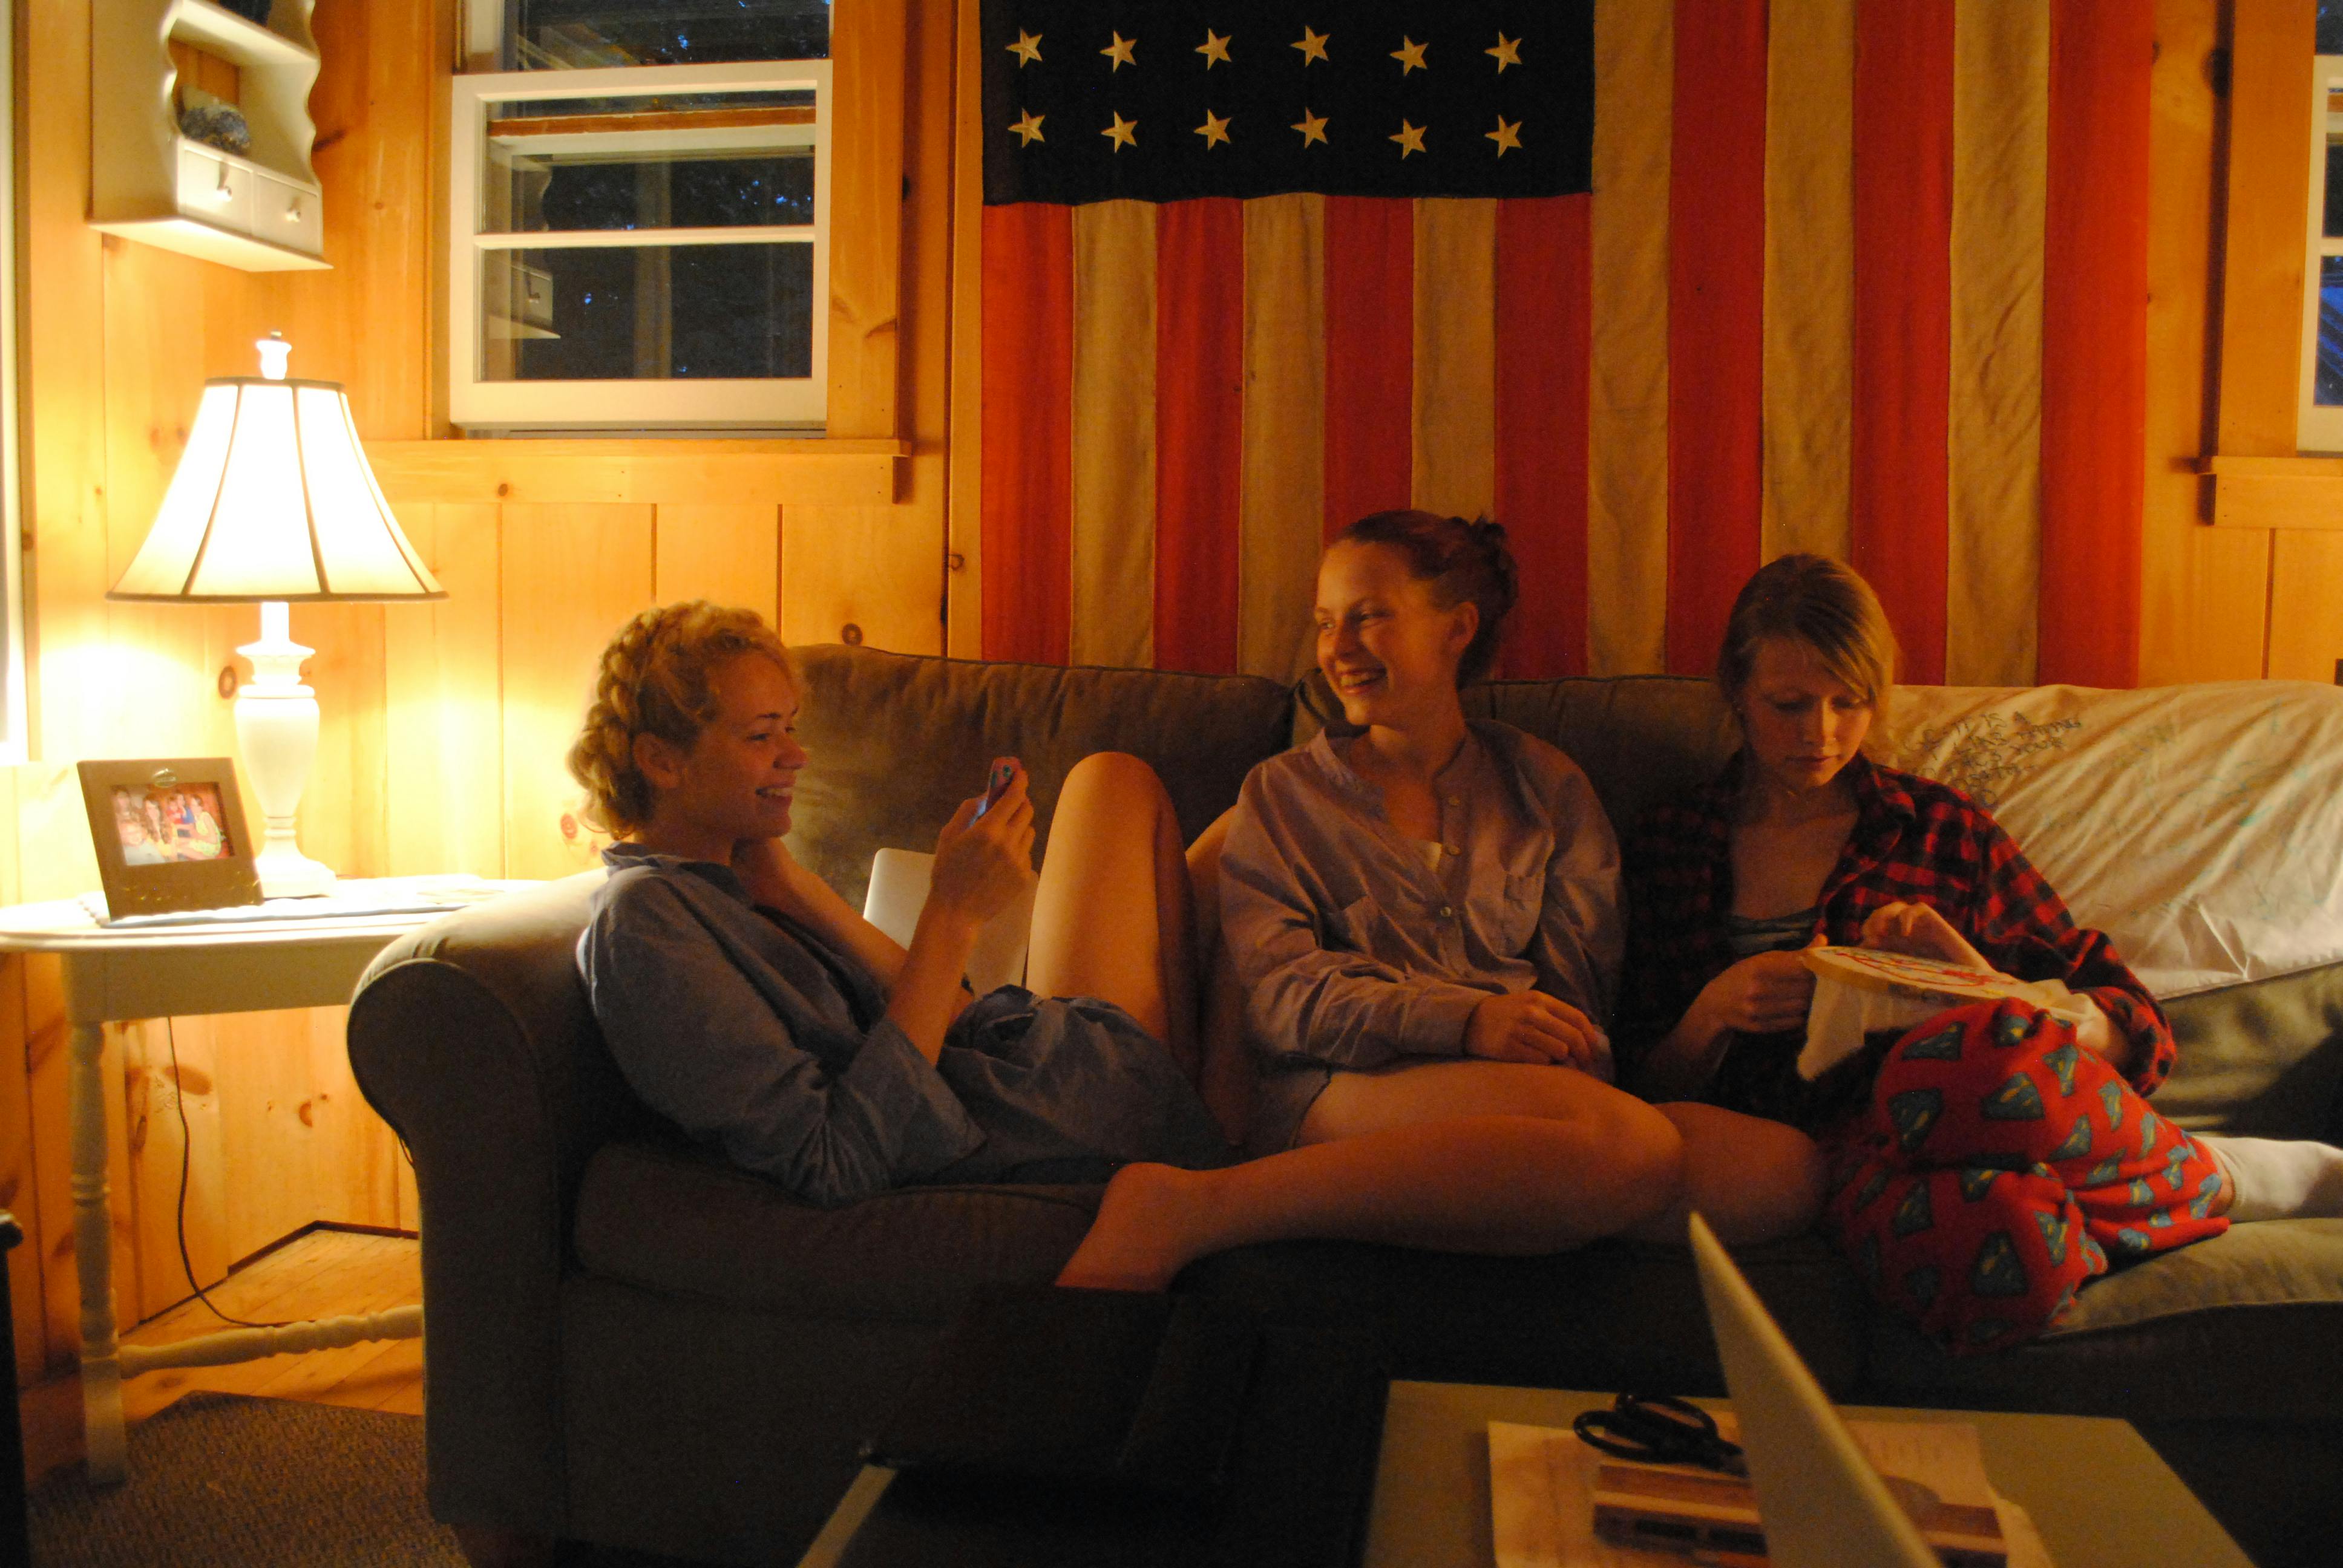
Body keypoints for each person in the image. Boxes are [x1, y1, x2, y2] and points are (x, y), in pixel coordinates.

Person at [1052, 514, 1823, 1290]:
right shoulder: (1284, 796)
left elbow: (1576, 998)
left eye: (1369, 617)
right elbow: (1279, 1000)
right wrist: (1463, 1021)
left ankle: (1480, 1194)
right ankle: (1194, 1207)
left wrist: (1551, 1042)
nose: (1337, 650)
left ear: (1457, 628)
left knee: (1779, 1172)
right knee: (1632, 1150)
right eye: (1326, 623)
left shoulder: (1547, 788)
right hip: (1339, 1083)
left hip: (1521, 1091)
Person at [1617, 553, 2343, 1352]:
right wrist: (1715, 1011)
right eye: (1788, 704)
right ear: (1736, 691)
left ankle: (2234, 1173)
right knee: (2016, 1262)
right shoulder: (1674, 843)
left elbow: (2128, 1027)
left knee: (1982, 1057)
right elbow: (1635, 1091)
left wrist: (1981, 981)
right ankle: (2203, 1177)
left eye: (1847, 703)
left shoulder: (1939, 830)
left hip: (1979, 1101)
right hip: (1830, 1158)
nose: (1819, 734)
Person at [571, 601, 1231, 1208]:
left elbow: (953, 1011)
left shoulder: (743, 875)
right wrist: (953, 914)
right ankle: (1243, 1135)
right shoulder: (644, 922)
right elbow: (835, 1159)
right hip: (1057, 1114)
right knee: (1248, 842)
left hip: (1050, 1054)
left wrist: (800, 890)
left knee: (1148, 795)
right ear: (661, 762)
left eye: (791, 729)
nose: (796, 756)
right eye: (760, 736)